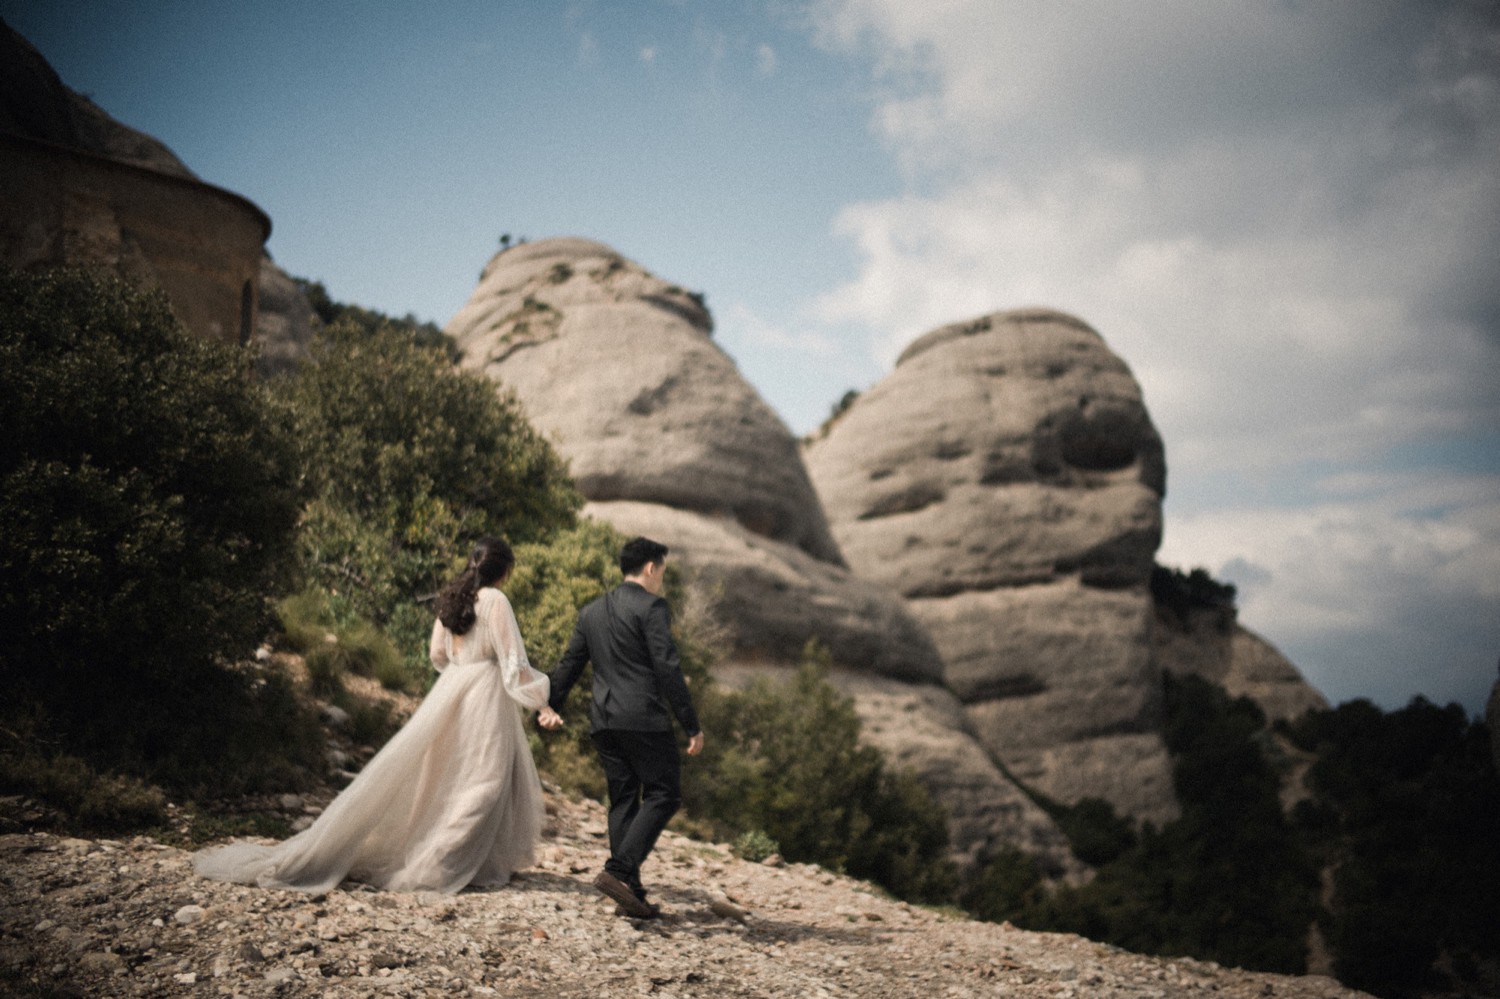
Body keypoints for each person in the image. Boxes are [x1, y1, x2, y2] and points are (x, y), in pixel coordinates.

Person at [194, 537, 562, 894]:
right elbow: (514, 663)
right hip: (484, 693)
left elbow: (437, 654)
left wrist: (460, 671)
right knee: (484, 781)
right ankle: (439, 864)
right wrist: (541, 701)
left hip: (453, 689)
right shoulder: (495, 599)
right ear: (505, 571)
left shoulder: (452, 596)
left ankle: (470, 861)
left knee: (449, 778)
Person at [541, 536, 703, 919]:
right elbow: (667, 666)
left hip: (604, 720)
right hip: (643, 717)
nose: (661, 578)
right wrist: (691, 724)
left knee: (624, 799)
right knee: (664, 792)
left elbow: (569, 665)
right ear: (651, 567)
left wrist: (550, 705)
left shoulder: (592, 611)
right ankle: (619, 870)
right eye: (661, 570)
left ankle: (630, 892)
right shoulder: (652, 607)